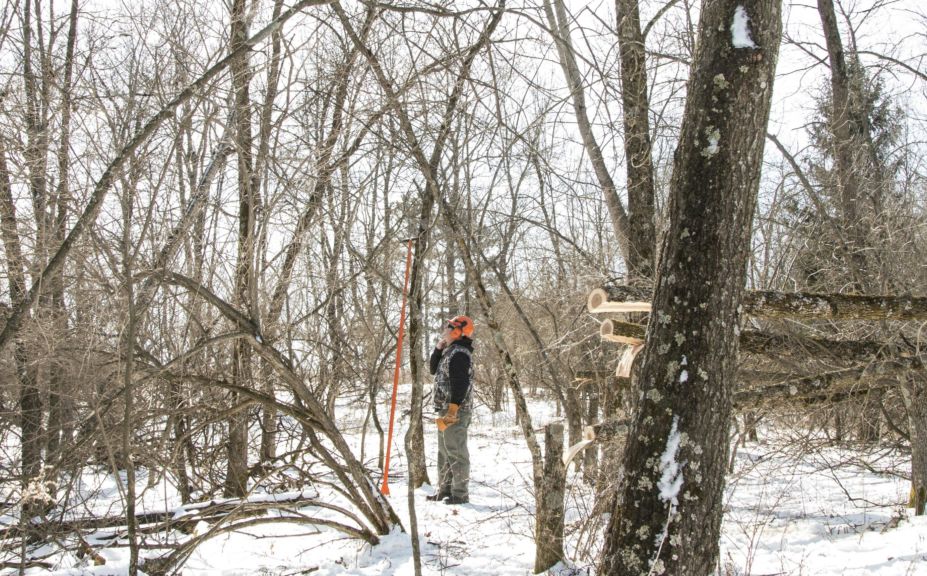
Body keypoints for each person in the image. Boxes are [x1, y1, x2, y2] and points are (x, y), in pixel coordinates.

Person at [426, 315, 474, 505]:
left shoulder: (460, 354)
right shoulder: (449, 351)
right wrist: (438, 348)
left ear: (457, 332)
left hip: (455, 410)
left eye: (449, 327)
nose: (445, 330)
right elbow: (432, 369)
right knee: (444, 451)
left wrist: (453, 409)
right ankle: (445, 489)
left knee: (456, 451)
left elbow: (460, 383)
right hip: (445, 409)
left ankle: (460, 493)